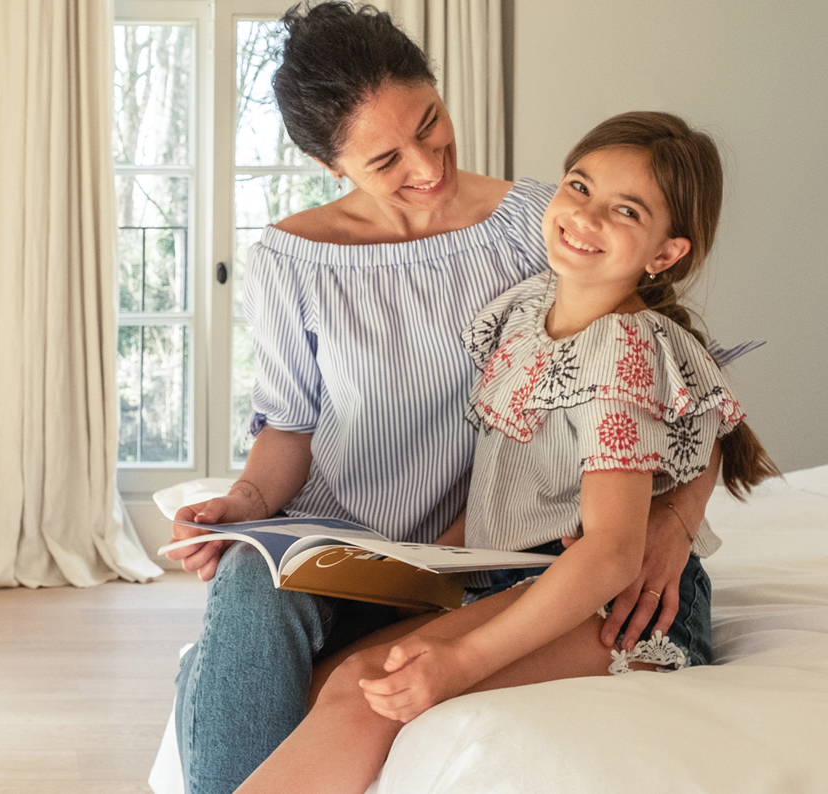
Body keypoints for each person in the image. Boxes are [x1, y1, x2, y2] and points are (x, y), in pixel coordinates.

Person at [165, 5, 720, 793]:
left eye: (430, 124)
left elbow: (688, 386)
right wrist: (246, 501)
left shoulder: (547, 222)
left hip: (495, 560)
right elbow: (288, 427)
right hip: (359, 554)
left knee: (356, 694)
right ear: (333, 166)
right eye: (386, 158)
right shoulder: (292, 260)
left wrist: (670, 521)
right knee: (252, 590)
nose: (427, 166)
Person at [231, 110, 781, 794]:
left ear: (665, 253)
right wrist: (429, 586)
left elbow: (610, 553)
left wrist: (458, 664)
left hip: (611, 606)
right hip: (515, 575)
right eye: (579, 186)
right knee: (331, 683)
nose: (585, 216)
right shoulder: (526, 312)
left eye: (625, 210)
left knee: (365, 690)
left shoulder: (624, 351)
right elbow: (509, 487)